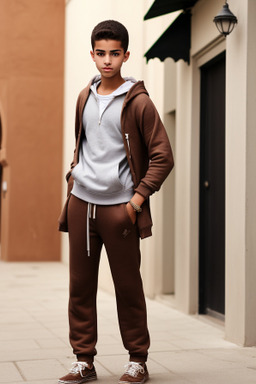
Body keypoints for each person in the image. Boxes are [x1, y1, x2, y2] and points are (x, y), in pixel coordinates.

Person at [58, 20, 174, 384]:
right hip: (81, 204)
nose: (107, 60)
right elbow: (85, 146)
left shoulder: (138, 102)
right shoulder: (83, 97)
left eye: (114, 53)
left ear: (125, 55)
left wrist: (136, 200)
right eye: (100, 53)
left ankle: (137, 359)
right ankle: (83, 360)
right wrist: (74, 175)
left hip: (119, 210)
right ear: (92, 55)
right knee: (80, 286)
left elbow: (163, 156)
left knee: (127, 286)